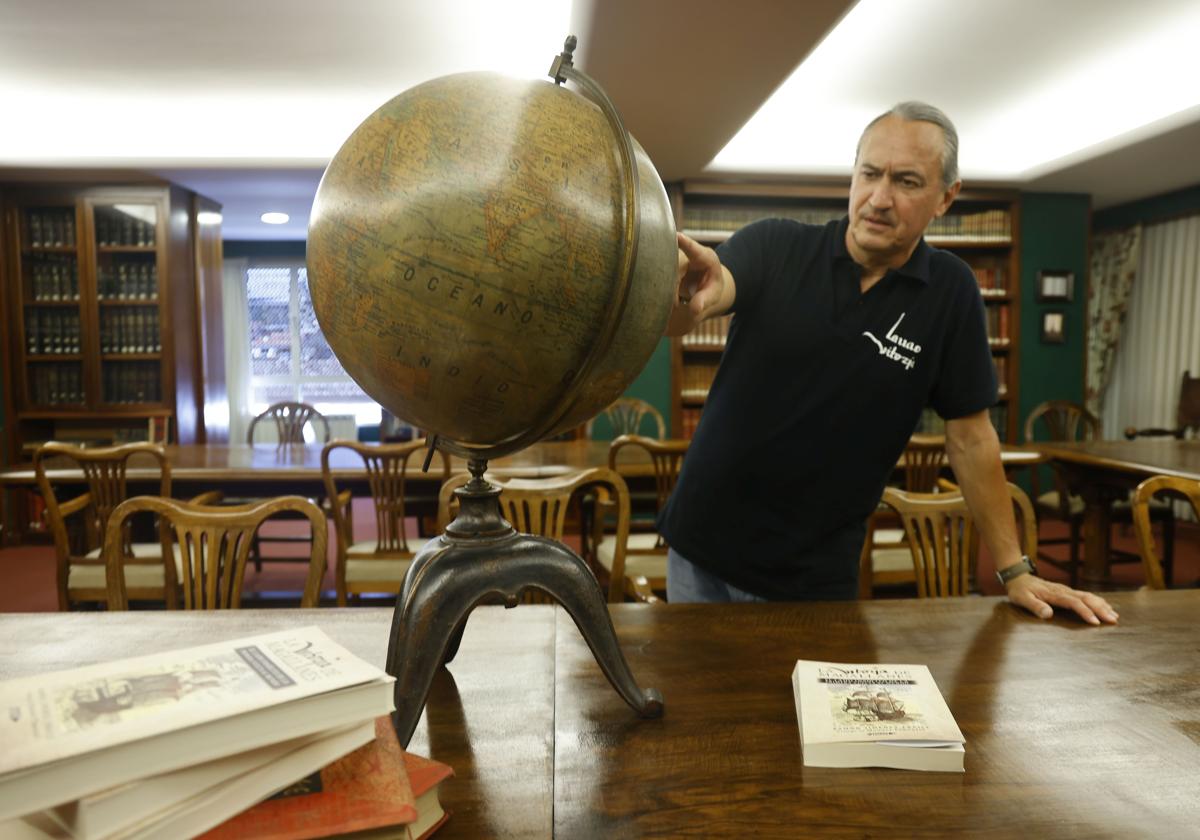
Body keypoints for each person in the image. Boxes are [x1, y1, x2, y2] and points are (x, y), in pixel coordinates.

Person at [660, 101, 1117, 626]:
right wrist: (682, 294)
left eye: (906, 181)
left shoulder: (951, 293)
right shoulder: (775, 244)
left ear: (947, 197)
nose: (879, 199)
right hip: (701, 552)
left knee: (800, 710)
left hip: (813, 575)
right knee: (702, 709)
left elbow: (971, 438)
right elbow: (698, 304)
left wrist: (1014, 571)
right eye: (870, 174)